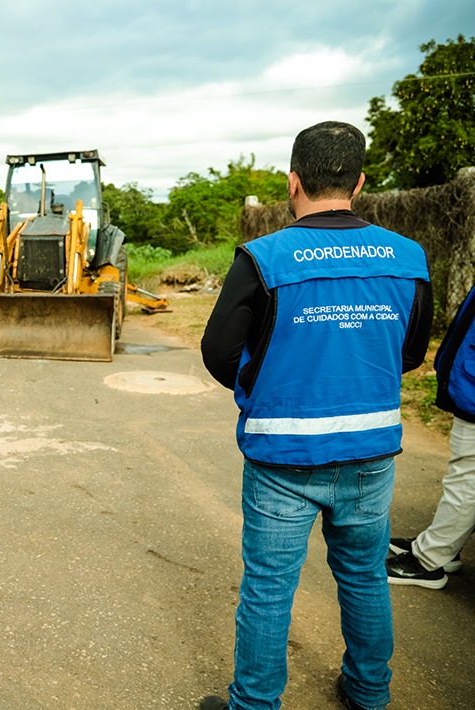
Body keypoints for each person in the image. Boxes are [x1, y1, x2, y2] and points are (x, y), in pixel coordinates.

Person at [198, 121, 433, 710]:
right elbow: (409, 353)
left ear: (293, 182)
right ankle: (368, 693)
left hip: (283, 456)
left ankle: (253, 705)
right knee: (364, 576)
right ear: (358, 182)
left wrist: (267, 387)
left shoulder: (263, 258)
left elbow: (219, 353)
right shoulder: (409, 258)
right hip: (372, 454)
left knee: (270, 590)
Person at [386, 283, 475, 589]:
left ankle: (428, 560)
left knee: (467, 478)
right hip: (467, 383)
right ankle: (444, 545)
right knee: (463, 473)